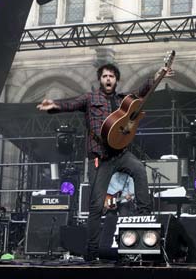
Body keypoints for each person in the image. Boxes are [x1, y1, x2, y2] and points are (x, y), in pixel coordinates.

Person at [37, 62, 173, 261]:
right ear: (100, 80)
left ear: (116, 80)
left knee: (139, 170)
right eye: (104, 76)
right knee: (96, 206)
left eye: (111, 76)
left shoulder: (122, 100)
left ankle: (145, 216)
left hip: (120, 153)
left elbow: (142, 91)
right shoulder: (90, 98)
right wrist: (54, 106)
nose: (108, 79)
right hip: (100, 157)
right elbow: (71, 104)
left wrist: (159, 75)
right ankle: (91, 254)